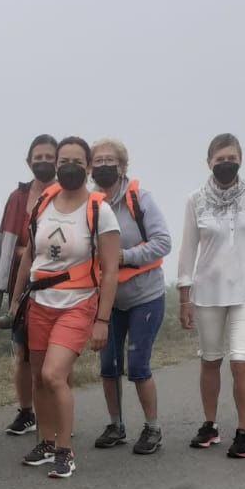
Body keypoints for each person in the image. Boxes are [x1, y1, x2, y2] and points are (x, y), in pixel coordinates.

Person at [9, 136, 120, 479]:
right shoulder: (44, 201)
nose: (68, 167)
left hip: (78, 304)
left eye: (76, 161)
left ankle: (64, 449)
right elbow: (30, 254)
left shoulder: (99, 209)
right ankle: (45, 442)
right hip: (39, 302)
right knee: (38, 379)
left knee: (54, 375)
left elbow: (111, 268)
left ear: (87, 168)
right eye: (63, 161)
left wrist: (102, 319)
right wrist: (15, 300)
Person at [176, 133, 245, 460]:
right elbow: (188, 250)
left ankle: (244, 432)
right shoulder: (196, 199)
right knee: (210, 359)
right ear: (209, 162)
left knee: (240, 360)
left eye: (231, 158)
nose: (226, 164)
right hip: (208, 291)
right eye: (220, 160)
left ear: (240, 159)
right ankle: (210, 424)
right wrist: (184, 296)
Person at [89, 138, 173, 455]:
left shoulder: (140, 199)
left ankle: (153, 428)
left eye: (111, 160)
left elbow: (163, 242)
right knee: (108, 365)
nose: (104, 166)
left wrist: (122, 256)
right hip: (106, 297)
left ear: (123, 166)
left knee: (138, 365)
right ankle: (116, 425)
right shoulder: (88, 203)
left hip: (144, 295)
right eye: (97, 161)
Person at [0, 134, 59, 435]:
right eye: (37, 158)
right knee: (22, 354)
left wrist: (32, 251)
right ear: (29, 162)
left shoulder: (68, 193)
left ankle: (55, 414)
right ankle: (27, 412)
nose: (43, 162)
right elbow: (5, 244)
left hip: (57, 285)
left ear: (58, 160)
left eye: (48, 157)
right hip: (21, 284)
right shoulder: (18, 198)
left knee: (53, 356)